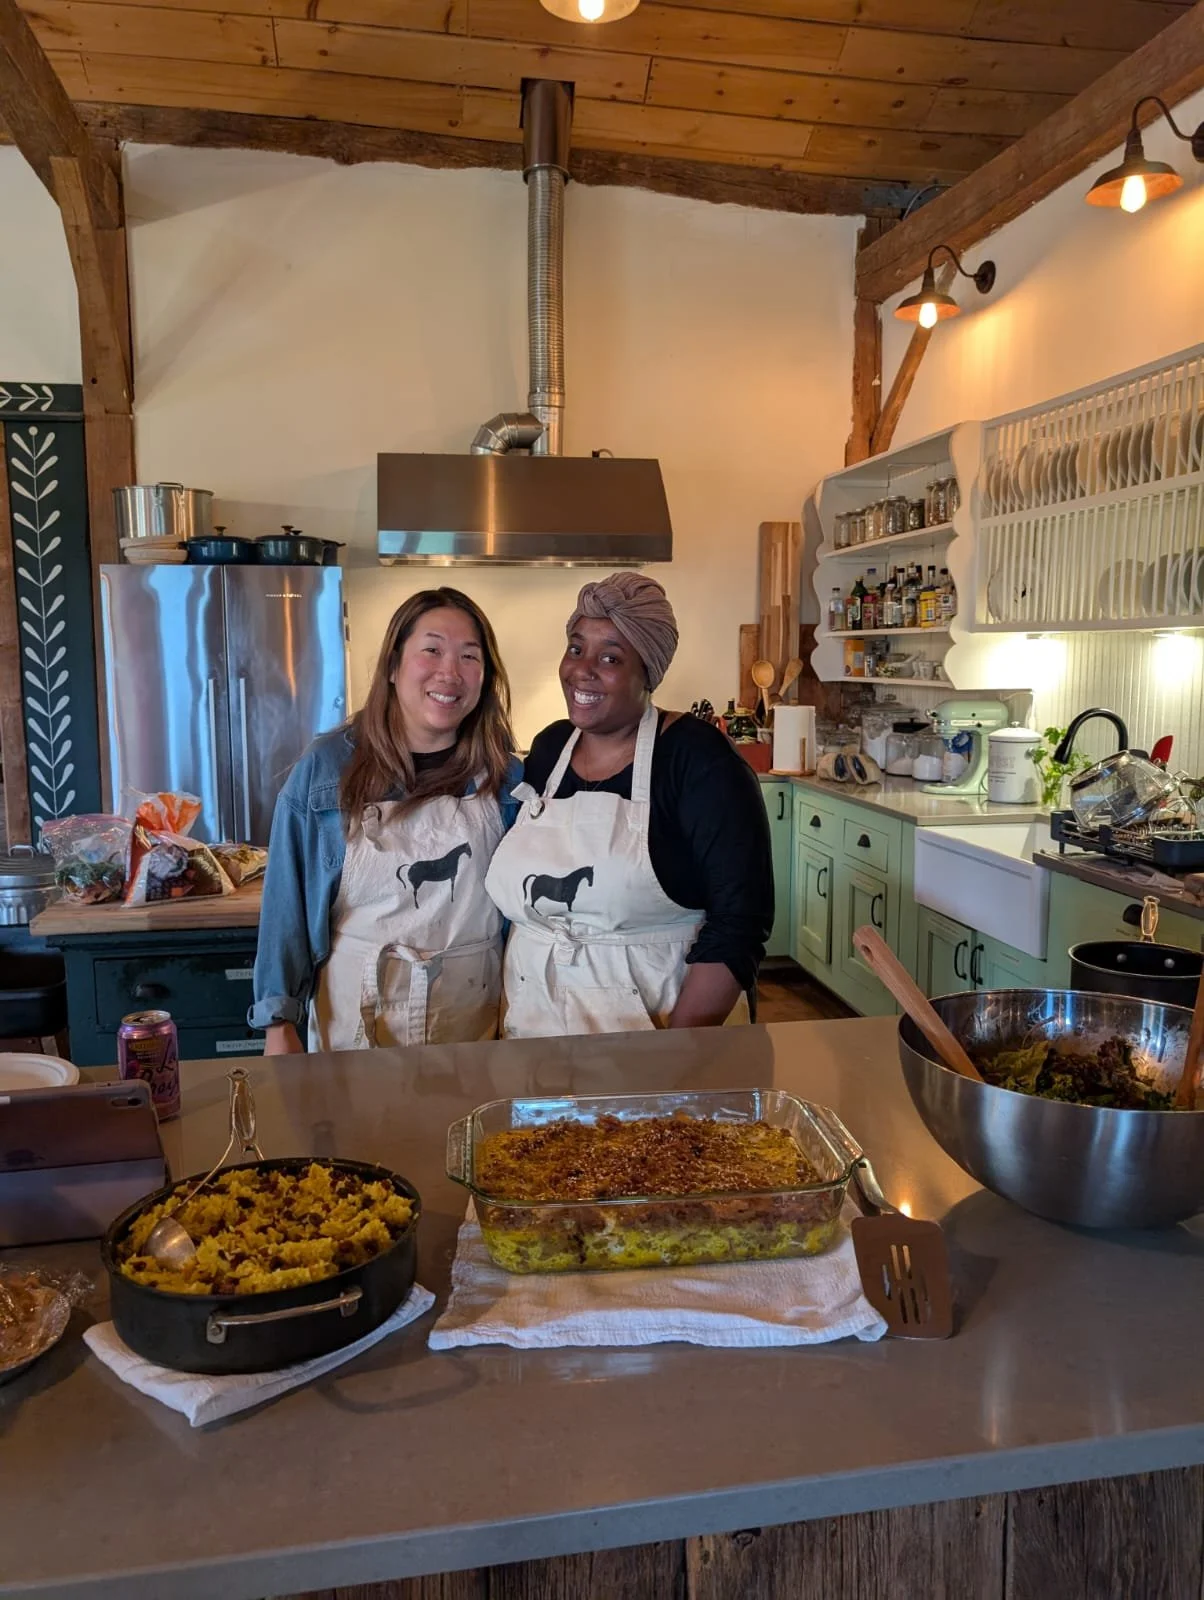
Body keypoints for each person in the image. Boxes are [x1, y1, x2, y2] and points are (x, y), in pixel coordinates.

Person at [485, 573, 773, 1037]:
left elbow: (740, 923)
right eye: (576, 648)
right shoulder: (548, 749)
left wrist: (674, 1058)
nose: (583, 669)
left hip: (657, 1032)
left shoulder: (698, 760)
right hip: (533, 1024)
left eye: (611, 657)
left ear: (649, 674)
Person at [250, 588, 520, 1054]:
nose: (450, 672)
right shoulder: (327, 770)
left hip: (473, 1031)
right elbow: (285, 907)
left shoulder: (505, 776)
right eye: (432, 650)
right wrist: (279, 1024)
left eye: (469, 657)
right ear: (394, 667)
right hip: (354, 1029)